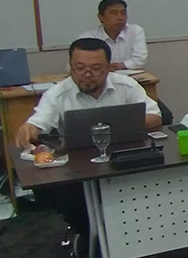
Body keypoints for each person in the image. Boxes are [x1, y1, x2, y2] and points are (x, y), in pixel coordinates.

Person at [15, 38, 162, 238]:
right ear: (70, 66)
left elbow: (156, 117)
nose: (87, 74)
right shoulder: (57, 94)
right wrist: (29, 128)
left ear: (108, 68)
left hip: (124, 160)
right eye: (79, 68)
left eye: (96, 69)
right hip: (79, 169)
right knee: (73, 203)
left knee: (149, 191)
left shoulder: (126, 86)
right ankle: (89, 238)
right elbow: (38, 122)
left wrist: (115, 123)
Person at [78, 0, 148, 70]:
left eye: (123, 13)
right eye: (114, 13)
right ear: (101, 17)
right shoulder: (88, 38)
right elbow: (80, 64)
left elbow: (140, 60)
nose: (120, 18)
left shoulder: (135, 31)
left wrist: (117, 66)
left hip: (130, 74)